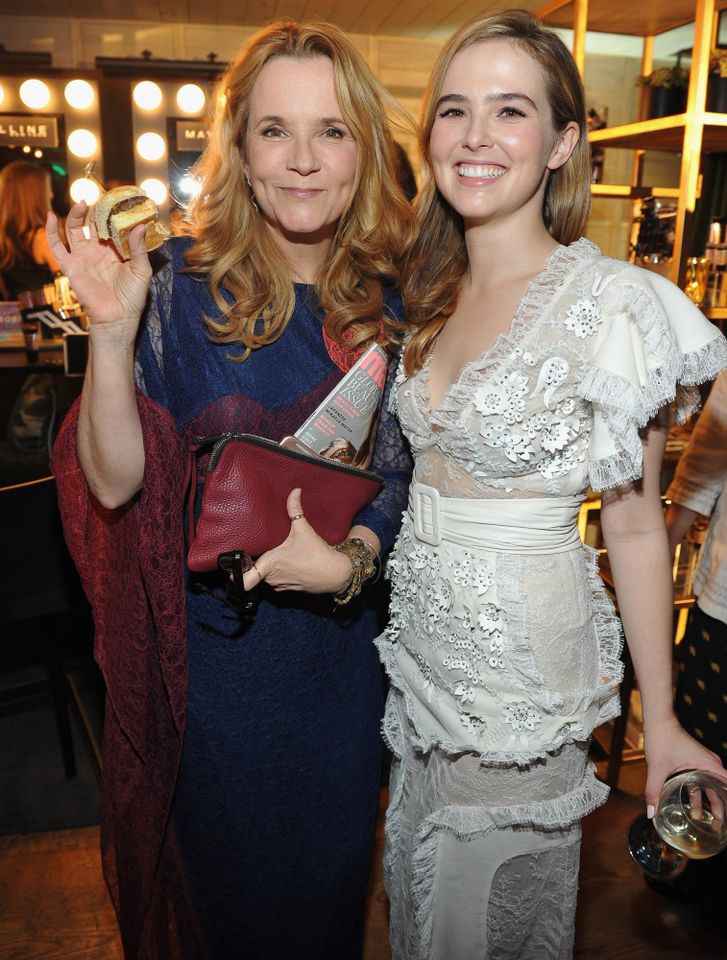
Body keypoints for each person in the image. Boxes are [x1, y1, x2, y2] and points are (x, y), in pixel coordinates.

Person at [48, 20, 413, 960]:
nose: (301, 160)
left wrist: (353, 561)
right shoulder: (172, 286)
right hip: (219, 669)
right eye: (274, 131)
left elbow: (402, 476)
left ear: (363, 150)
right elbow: (116, 482)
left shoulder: (399, 301)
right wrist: (113, 332)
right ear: (241, 153)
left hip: (340, 666)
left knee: (328, 903)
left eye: (330, 131)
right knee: (230, 912)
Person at [374, 10, 727, 959]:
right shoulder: (425, 289)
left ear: (563, 141)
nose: (476, 137)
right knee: (417, 897)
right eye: (454, 110)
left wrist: (668, 717)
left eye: (510, 110)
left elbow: (638, 528)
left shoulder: (615, 305)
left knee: (479, 920)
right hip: (418, 667)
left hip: (520, 687)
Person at [661, 370, 727, 898]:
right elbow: (705, 459)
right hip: (724, 603)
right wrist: (656, 554)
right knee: (706, 747)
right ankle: (694, 863)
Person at [0, 161, 61, 299]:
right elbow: (67, 284)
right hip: (49, 317)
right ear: (34, 195)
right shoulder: (41, 237)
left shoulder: (4, 240)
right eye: (47, 189)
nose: (51, 195)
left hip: (16, 316)